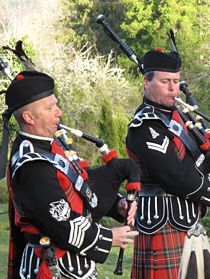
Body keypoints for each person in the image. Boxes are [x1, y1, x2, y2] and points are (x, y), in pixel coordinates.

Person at [0, 71, 139, 279]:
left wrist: (116, 205)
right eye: (50, 108)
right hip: (51, 267)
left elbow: (79, 187)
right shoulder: (32, 164)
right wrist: (108, 237)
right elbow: (61, 223)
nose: (59, 112)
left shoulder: (53, 146)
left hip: (72, 265)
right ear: (29, 117)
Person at [125, 49, 210, 278]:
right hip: (161, 221)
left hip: (188, 217)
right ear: (146, 82)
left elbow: (201, 163)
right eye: (165, 82)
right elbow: (173, 175)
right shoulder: (145, 125)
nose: (173, 88)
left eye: (175, 81)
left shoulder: (180, 117)